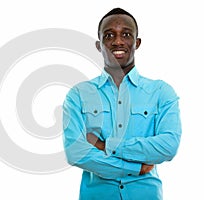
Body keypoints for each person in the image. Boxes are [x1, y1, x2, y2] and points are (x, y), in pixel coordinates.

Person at [62, 7, 182, 199]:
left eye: (126, 34)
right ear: (99, 45)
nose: (118, 41)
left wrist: (106, 145)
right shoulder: (78, 94)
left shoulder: (161, 92)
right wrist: (134, 168)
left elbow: (168, 146)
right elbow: (75, 152)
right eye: (109, 35)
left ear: (137, 42)